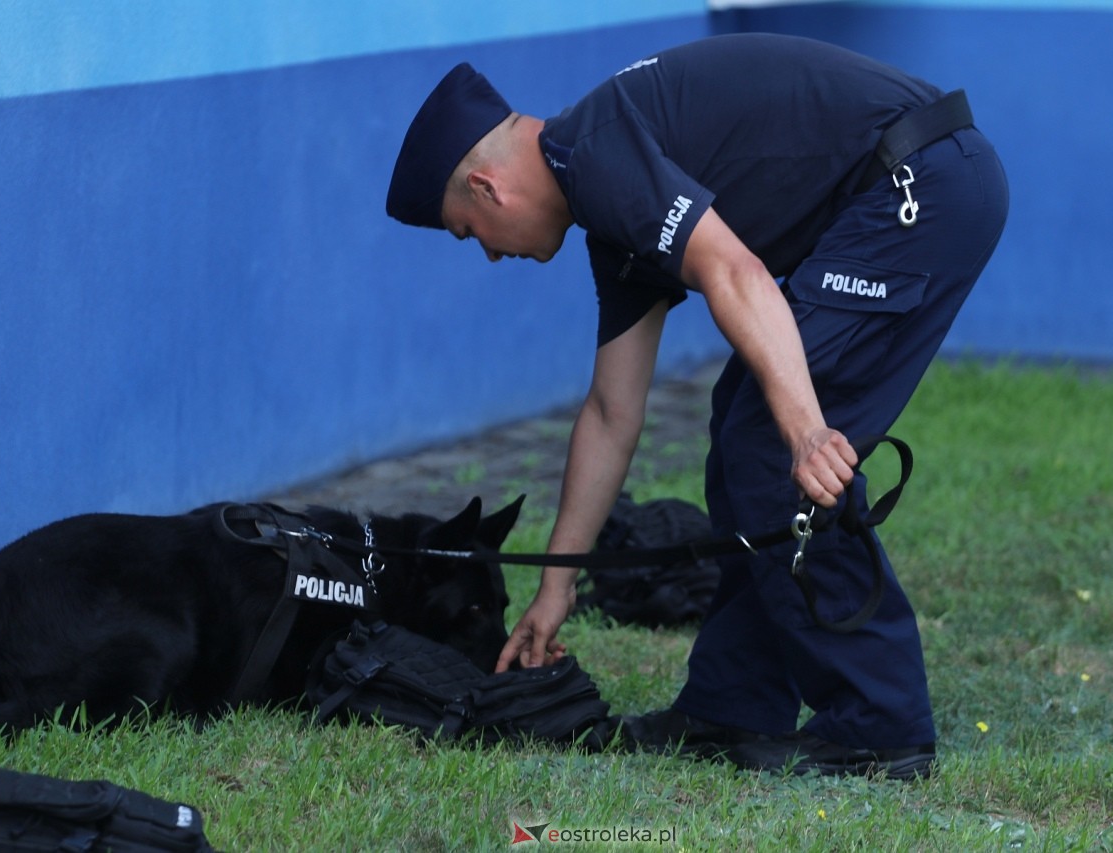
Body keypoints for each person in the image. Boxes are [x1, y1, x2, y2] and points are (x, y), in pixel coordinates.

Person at [385, 33, 1008, 780]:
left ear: (487, 188)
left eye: (468, 232)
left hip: (920, 187)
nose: (488, 251)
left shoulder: (599, 153)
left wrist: (807, 432)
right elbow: (613, 411)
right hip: (912, 182)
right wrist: (557, 588)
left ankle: (882, 724)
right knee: (743, 429)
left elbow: (733, 271)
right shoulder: (603, 203)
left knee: (768, 444)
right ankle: (733, 704)